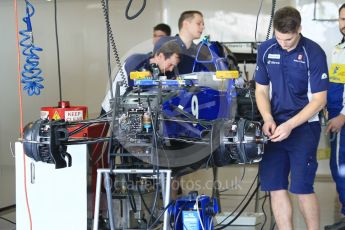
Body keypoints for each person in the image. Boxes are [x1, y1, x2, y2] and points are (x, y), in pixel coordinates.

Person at [255, 6, 328, 230]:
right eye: (279, 38)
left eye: (288, 39)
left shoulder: (313, 52)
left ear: (299, 30)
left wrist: (290, 124)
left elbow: (319, 100)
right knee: (275, 186)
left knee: (302, 187)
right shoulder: (266, 49)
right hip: (274, 127)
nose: (283, 43)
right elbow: (260, 90)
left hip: (304, 127)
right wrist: (267, 117)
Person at [101, 38, 180, 114]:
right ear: (160, 56)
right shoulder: (135, 60)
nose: (171, 69)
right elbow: (133, 84)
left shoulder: (162, 71)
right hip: (112, 109)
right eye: (170, 65)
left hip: (137, 111)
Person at [325, 3, 345, 229]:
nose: (344, 24)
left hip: (342, 118)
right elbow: (338, 82)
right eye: (342, 19)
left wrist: (342, 115)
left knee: (341, 167)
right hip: (335, 114)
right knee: (338, 166)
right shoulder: (339, 47)